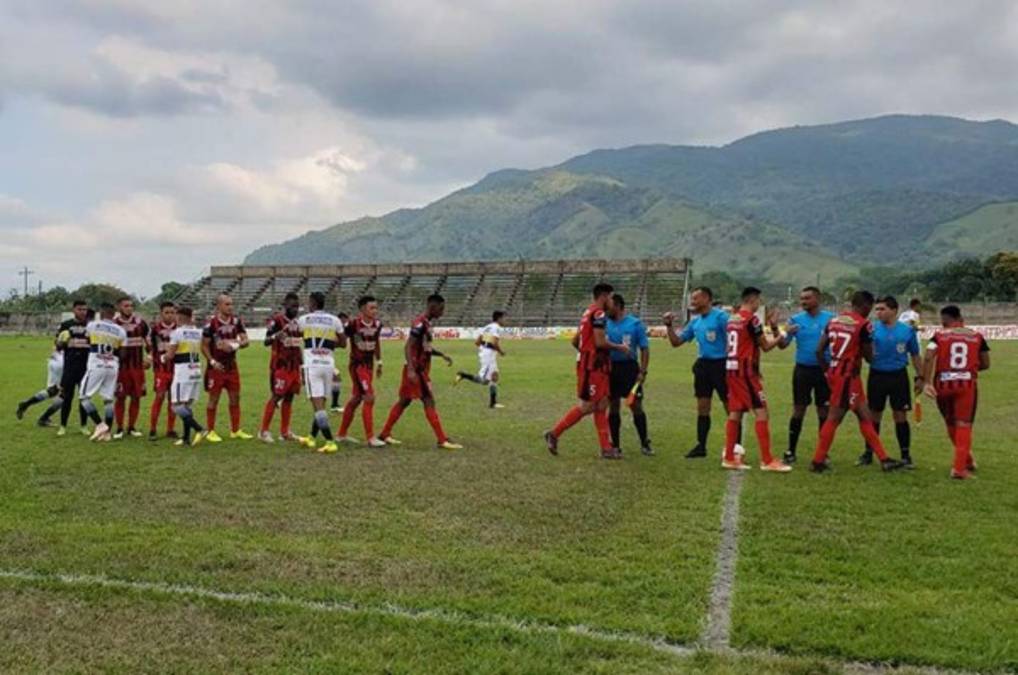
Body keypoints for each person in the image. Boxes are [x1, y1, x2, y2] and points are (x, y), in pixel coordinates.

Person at [810, 291, 904, 473]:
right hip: (848, 376)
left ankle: (884, 459)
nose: (872, 312)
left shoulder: (833, 321)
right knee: (834, 417)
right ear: (865, 306)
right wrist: (870, 354)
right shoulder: (863, 325)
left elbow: (819, 351)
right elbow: (869, 356)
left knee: (864, 415)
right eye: (871, 308)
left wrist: (827, 371)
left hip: (838, 373)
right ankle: (817, 461)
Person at [544, 283, 629, 459]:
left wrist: (585, 355)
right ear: (604, 296)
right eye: (611, 298)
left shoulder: (587, 312)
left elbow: (576, 341)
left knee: (603, 403)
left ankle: (606, 448)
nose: (612, 302)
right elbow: (599, 342)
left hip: (596, 365)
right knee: (588, 406)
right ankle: (554, 433)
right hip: (594, 368)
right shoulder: (599, 314)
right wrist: (619, 347)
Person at [378, 294, 462, 449]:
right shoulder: (419, 323)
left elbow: (425, 347)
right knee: (428, 400)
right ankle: (442, 439)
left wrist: (441, 355)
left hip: (419, 368)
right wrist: (411, 369)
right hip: (416, 369)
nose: (443, 312)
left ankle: (384, 434)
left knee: (404, 401)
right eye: (441, 308)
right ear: (432, 306)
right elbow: (408, 346)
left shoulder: (427, 323)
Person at [721, 288, 792, 472]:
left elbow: (748, 345)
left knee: (735, 411)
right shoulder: (751, 320)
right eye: (758, 300)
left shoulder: (733, 318)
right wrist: (782, 334)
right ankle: (767, 460)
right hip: (745, 373)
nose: (759, 303)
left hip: (732, 369)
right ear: (753, 300)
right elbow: (766, 346)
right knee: (762, 412)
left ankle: (729, 457)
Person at [922, 305, 990, 480]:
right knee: (964, 424)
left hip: (942, 384)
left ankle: (966, 459)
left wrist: (927, 382)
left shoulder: (938, 336)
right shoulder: (976, 336)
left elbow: (928, 356)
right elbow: (986, 363)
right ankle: (959, 469)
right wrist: (970, 368)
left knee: (951, 423)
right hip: (966, 384)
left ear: (943, 320)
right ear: (960, 318)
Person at [663, 287, 731, 458]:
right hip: (703, 366)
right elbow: (676, 342)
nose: (692, 302)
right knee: (702, 407)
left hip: (722, 365)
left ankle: (734, 446)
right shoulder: (695, 322)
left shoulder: (722, 317)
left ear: (707, 298)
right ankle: (701, 446)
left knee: (729, 406)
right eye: (692, 299)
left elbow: (734, 339)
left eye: (695, 299)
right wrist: (668, 326)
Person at [858, 296, 922, 468]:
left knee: (900, 415)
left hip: (898, 376)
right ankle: (869, 453)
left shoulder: (907, 331)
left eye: (882, 309)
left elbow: (915, 355)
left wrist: (920, 377)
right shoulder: (871, 329)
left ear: (894, 310)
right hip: (877, 375)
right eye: (876, 309)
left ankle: (905, 455)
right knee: (873, 415)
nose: (878, 312)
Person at [777, 286, 834, 464]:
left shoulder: (831, 320)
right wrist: (783, 331)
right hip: (802, 370)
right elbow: (782, 345)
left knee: (823, 410)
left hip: (824, 370)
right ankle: (791, 451)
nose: (803, 302)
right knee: (799, 409)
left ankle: (822, 452)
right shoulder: (796, 319)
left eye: (807, 298)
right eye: (802, 299)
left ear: (817, 299)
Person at [295, 292, 347, 453]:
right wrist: (329, 346)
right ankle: (311, 437)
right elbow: (344, 343)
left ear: (312, 303)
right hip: (328, 365)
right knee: (321, 404)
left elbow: (297, 336)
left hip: (312, 365)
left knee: (318, 407)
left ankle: (330, 441)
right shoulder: (335, 320)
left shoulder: (304, 319)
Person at [605, 294, 652, 455]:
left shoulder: (635, 324)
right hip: (611, 369)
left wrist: (643, 371)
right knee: (613, 405)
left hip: (630, 368)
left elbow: (644, 348)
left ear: (618, 306)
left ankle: (645, 443)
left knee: (636, 405)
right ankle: (616, 445)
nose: (606, 308)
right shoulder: (604, 323)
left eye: (609, 305)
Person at [201, 293, 252, 442]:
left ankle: (235, 430)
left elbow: (246, 340)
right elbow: (204, 346)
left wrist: (235, 345)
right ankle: (210, 431)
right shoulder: (210, 324)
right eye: (227, 304)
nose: (230, 307)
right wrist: (212, 362)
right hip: (217, 367)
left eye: (231, 304)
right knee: (213, 399)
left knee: (235, 398)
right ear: (219, 306)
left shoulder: (237, 322)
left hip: (231, 367)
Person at [337, 296, 386, 446]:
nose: (375, 311)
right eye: (372, 308)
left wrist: (379, 361)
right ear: (363, 309)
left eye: (376, 307)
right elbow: (342, 338)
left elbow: (376, 342)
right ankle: (371, 438)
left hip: (369, 365)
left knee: (357, 398)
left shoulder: (377, 324)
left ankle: (341, 435)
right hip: (358, 366)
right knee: (369, 397)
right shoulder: (353, 324)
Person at [79, 302, 128, 442]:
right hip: (113, 366)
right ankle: (107, 433)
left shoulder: (93, 325)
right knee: (108, 400)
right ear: (113, 314)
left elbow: (87, 340)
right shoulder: (121, 330)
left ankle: (100, 425)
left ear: (102, 312)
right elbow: (123, 354)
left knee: (84, 397)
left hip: (96, 365)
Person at [259, 292, 303, 443]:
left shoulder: (298, 323)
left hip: (294, 366)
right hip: (281, 365)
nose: (295, 309)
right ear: (285, 306)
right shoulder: (277, 320)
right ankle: (263, 431)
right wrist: (275, 336)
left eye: (297, 306)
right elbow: (265, 341)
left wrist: (301, 364)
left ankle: (285, 431)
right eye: (292, 306)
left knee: (290, 397)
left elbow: (298, 344)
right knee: (276, 396)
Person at [164, 306, 207, 447]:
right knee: (187, 405)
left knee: (176, 406)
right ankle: (186, 438)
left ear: (181, 317)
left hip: (183, 371)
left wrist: (161, 358)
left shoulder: (177, 333)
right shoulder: (197, 332)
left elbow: (170, 355)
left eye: (177, 315)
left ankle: (199, 429)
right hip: (195, 370)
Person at [113, 296, 151, 439]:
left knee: (136, 397)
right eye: (126, 306)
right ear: (119, 308)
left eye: (131, 306)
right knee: (120, 397)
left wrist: (149, 358)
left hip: (137, 367)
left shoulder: (141, 323)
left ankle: (131, 427)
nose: (129, 308)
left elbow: (149, 344)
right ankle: (119, 428)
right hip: (120, 368)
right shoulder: (114, 324)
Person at [455, 310, 507, 409]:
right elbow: (495, 343)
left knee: (494, 376)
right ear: (499, 318)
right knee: (484, 381)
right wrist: (500, 352)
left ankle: (493, 403)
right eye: (504, 318)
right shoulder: (496, 328)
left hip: (486, 353)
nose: (505, 320)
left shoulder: (487, 327)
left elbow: (477, 342)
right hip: (489, 355)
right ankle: (463, 374)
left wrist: (485, 348)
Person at [55, 300, 92, 437]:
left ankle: (83, 426)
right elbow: (58, 347)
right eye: (80, 309)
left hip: (86, 367)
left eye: (84, 309)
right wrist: (61, 341)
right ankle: (63, 426)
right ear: (74, 310)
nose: (83, 312)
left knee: (84, 398)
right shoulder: (66, 325)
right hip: (70, 367)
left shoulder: (91, 325)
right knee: (67, 397)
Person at [15, 340, 64, 426]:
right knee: (62, 397)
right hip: (59, 368)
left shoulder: (56, 353)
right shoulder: (61, 355)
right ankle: (43, 418)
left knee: (52, 392)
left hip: (56, 364)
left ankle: (25, 405)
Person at [148, 302, 178, 440]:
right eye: (167, 312)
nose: (170, 315)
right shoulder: (155, 329)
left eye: (172, 312)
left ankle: (170, 429)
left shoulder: (179, 329)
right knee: (160, 397)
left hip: (177, 369)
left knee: (173, 400)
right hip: (161, 369)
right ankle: (153, 429)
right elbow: (153, 348)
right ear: (161, 313)